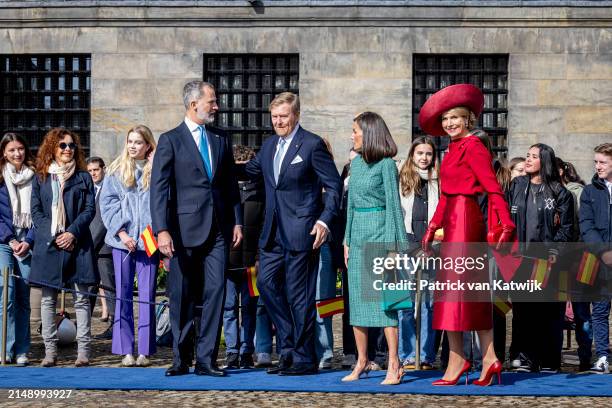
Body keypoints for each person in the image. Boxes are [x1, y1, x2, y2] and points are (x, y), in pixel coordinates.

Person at [419, 84, 515, 386]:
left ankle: (464, 358)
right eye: (445, 120)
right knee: (455, 293)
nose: (449, 124)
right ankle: (483, 359)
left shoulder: (473, 146)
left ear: (468, 119)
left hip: (466, 221)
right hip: (452, 219)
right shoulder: (451, 150)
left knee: (462, 292)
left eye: (455, 118)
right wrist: (432, 226)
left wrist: (505, 222)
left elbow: (492, 187)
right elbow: (446, 195)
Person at [245, 92, 341, 376]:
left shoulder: (312, 145)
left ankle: (303, 359)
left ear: (296, 115)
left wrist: (324, 221)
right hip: (271, 233)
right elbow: (250, 170)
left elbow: (334, 186)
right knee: (266, 285)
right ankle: (288, 348)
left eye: (283, 116)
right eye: (274, 117)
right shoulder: (269, 145)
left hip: (303, 232)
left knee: (300, 297)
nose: (278, 122)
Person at [150, 81, 242, 377]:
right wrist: (161, 230)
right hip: (181, 231)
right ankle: (181, 357)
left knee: (215, 293)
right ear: (194, 105)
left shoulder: (220, 138)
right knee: (182, 295)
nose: (216, 106)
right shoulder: (171, 139)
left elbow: (229, 185)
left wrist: (237, 220)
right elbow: (159, 189)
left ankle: (206, 360)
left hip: (218, 230)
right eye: (212, 102)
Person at [342, 111, 406, 385]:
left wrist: (398, 248)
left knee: (386, 303)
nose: (352, 135)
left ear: (369, 133)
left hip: (382, 236)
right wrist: (346, 240)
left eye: (355, 130)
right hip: (357, 238)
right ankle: (362, 360)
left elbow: (395, 207)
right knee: (356, 303)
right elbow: (351, 207)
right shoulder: (355, 165)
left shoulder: (386, 166)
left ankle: (394, 362)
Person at [30, 127, 97, 367]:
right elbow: (36, 212)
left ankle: (83, 351)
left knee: (81, 299)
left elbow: (90, 210)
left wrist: (71, 232)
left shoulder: (83, 177)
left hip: (78, 244)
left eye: (71, 145)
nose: (68, 149)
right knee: (48, 299)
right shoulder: (41, 177)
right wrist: (55, 233)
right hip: (50, 245)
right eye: (62, 145)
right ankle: (50, 352)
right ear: (52, 148)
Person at [507, 143, 574, 373]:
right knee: (524, 312)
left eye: (533, 157)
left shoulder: (560, 193)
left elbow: (566, 229)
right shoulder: (516, 185)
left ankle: (548, 360)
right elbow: (506, 219)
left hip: (548, 260)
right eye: (527, 156)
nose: (527, 160)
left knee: (548, 312)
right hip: (520, 258)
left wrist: (554, 253)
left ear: (544, 161)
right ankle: (523, 357)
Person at [100, 125, 158, 367]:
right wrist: (122, 233)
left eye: (138, 142)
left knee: (147, 296)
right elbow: (107, 205)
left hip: (148, 242)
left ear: (148, 146)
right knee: (122, 296)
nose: (133, 146)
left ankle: (144, 350)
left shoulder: (156, 172)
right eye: (130, 141)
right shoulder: (115, 172)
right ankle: (125, 350)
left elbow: (162, 203)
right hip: (122, 242)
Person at [397, 136, 439, 370]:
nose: (424, 158)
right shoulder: (402, 179)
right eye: (420, 153)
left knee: (428, 304)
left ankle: (425, 354)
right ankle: (407, 353)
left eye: (428, 154)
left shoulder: (439, 182)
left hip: (431, 247)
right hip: (406, 244)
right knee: (406, 304)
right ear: (412, 154)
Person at [223, 145, 261, 369]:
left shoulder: (261, 192)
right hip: (228, 261)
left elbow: (264, 226)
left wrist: (258, 257)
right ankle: (231, 351)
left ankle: (247, 350)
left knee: (249, 309)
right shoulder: (226, 193)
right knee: (228, 308)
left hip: (251, 264)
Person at [0, 133, 35, 366]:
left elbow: (42, 212)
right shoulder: (1, 179)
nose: (17, 154)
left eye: (20, 149)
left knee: (23, 297)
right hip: (4, 241)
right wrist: (11, 240)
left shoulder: (36, 177)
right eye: (12, 150)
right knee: (7, 295)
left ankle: (22, 349)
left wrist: (29, 240)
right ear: (4, 152)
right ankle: (5, 348)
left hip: (28, 242)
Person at [557, 157, 592, 372]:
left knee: (581, 310)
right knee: (555, 311)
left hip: (579, 257)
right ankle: (551, 355)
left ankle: (585, 355)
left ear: (560, 170)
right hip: (556, 258)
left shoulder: (575, 192)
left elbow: (580, 226)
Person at [579, 143, 612, 373]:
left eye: (602, 162)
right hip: (601, 261)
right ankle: (602, 356)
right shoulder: (590, 192)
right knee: (600, 310)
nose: (597, 166)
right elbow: (586, 226)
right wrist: (604, 251)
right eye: (596, 162)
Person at [87, 156, 115, 341]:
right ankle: (83, 328)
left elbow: (105, 220)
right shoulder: (88, 190)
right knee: (88, 289)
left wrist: (91, 243)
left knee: (110, 289)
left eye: (96, 170)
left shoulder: (109, 188)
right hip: (89, 249)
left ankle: (115, 327)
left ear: (103, 169)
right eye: (89, 171)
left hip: (104, 249)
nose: (93, 174)